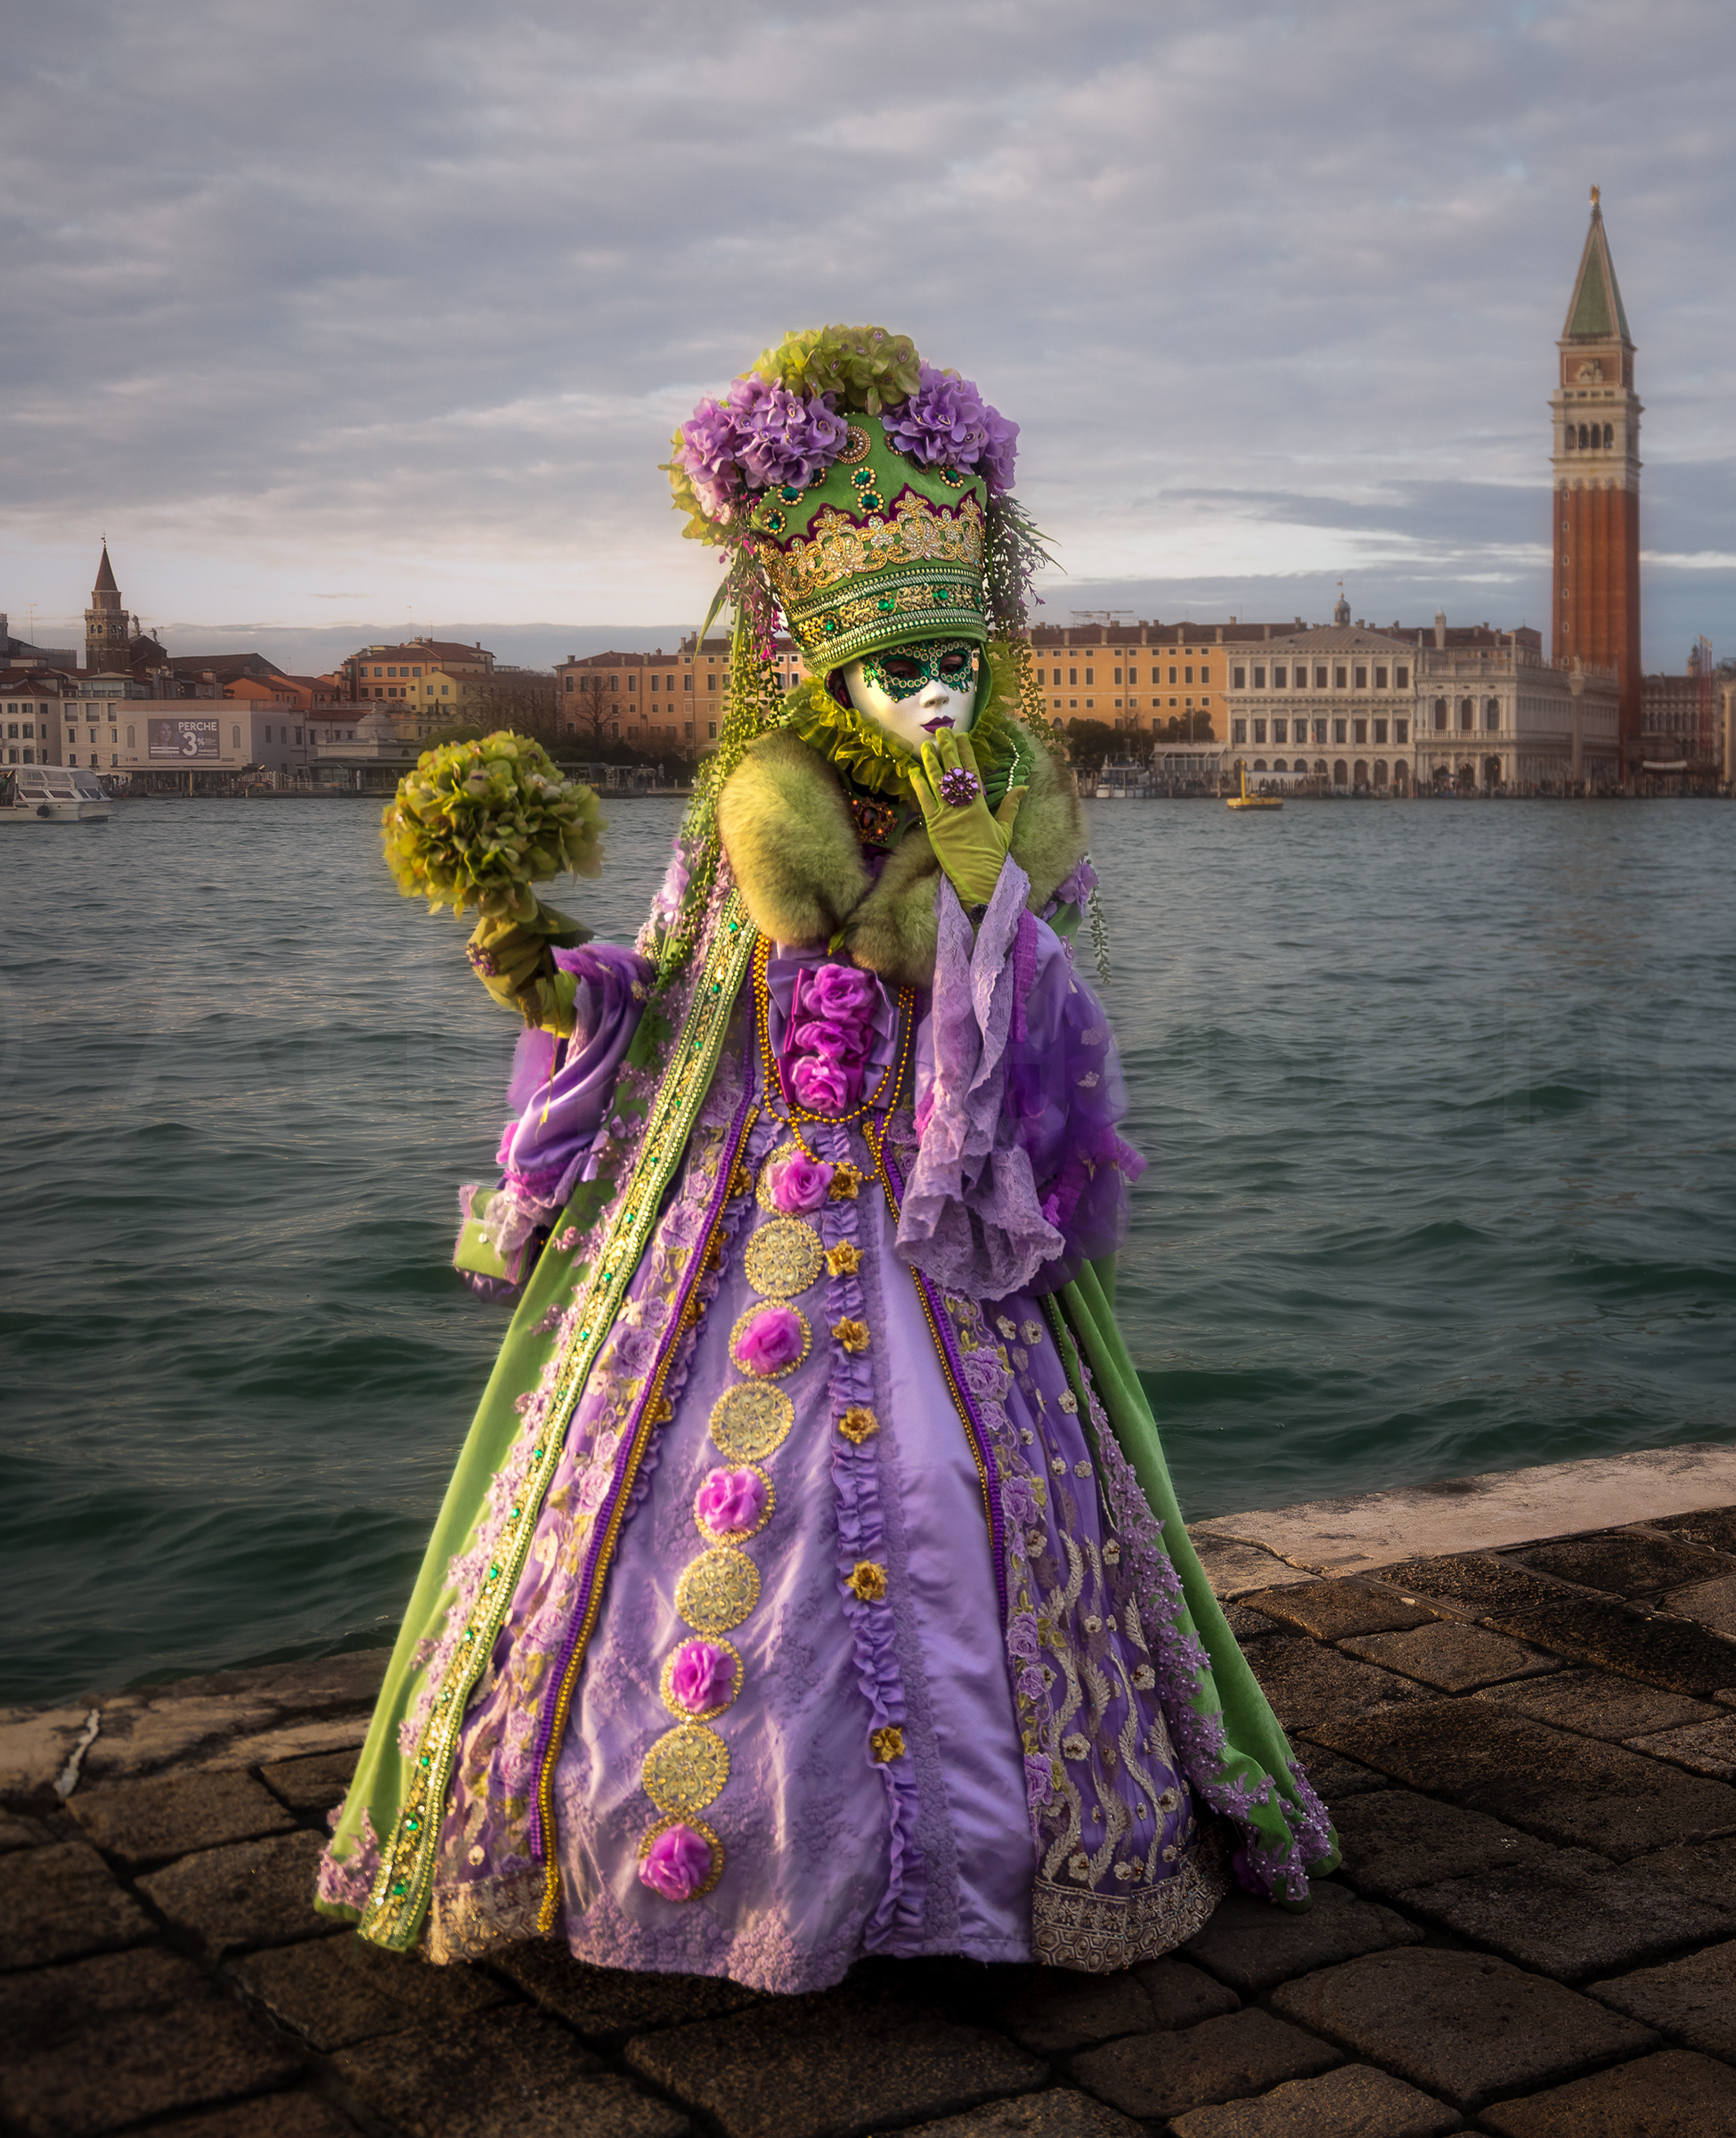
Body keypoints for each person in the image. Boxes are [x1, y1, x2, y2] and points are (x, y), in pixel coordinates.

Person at [315, 325, 1333, 1990]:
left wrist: (974, 869)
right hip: (739, 1208)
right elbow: (685, 993)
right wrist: (546, 978)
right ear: (824, 672)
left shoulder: (1008, 810)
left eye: (955, 662)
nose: (935, 692)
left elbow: (1027, 1013)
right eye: (898, 668)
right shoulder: (758, 807)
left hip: (938, 1211)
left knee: (946, 1488)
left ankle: (992, 1861)